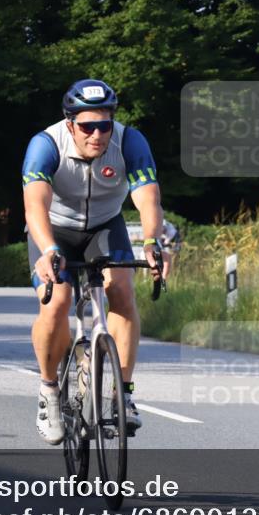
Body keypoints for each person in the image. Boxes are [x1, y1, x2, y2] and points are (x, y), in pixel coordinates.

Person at [22, 78, 171, 445]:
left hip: (105, 226)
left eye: (104, 125)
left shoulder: (129, 142)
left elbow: (148, 197)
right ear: (70, 124)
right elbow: (34, 204)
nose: (97, 134)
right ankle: (48, 391)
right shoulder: (45, 144)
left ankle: (124, 392)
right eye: (87, 126)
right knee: (56, 302)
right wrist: (47, 249)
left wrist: (153, 241)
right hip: (53, 231)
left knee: (120, 290)